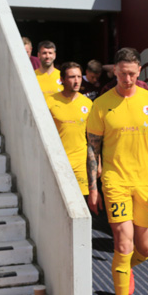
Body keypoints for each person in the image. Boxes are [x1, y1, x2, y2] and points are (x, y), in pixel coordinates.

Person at [87, 48, 148, 295]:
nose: (128, 79)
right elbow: (93, 149)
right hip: (115, 182)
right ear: (115, 72)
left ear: (139, 72)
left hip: (145, 184)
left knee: (145, 248)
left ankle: (126, 267)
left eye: (132, 73)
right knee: (122, 244)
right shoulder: (102, 105)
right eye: (122, 74)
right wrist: (94, 188)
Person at [47, 62, 93, 197]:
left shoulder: (88, 103)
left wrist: (97, 162)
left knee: (81, 200)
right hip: (58, 161)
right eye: (72, 77)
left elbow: (92, 137)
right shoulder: (49, 102)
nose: (77, 80)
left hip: (80, 161)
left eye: (79, 76)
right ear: (62, 80)